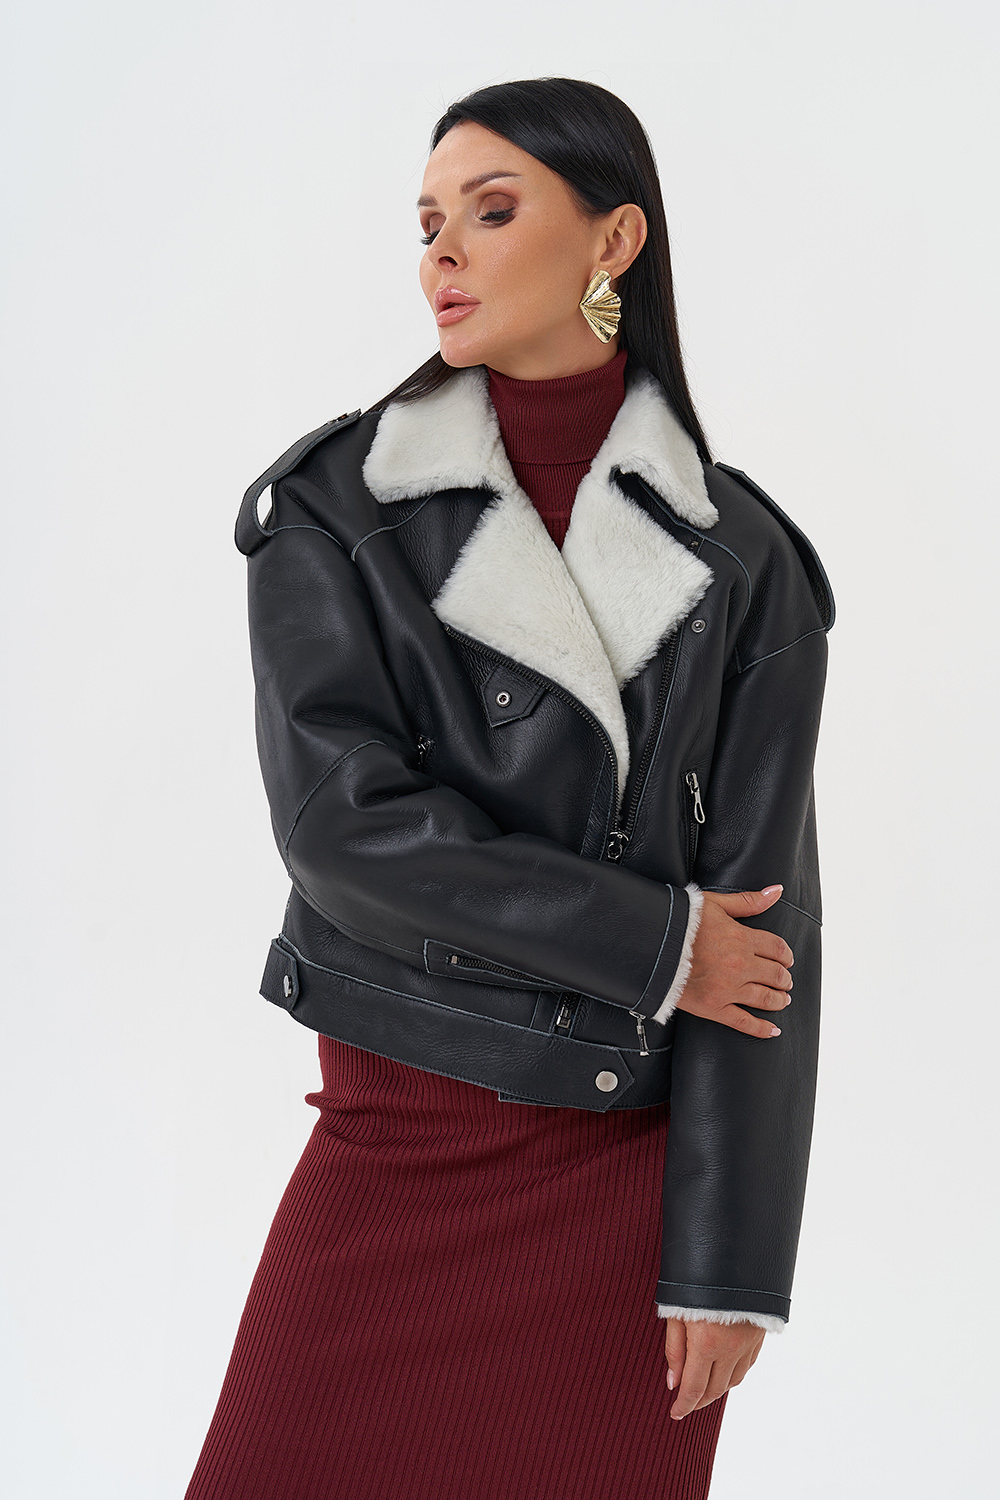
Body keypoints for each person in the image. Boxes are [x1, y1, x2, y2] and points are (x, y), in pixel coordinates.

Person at [184, 77, 834, 1500]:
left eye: (489, 211)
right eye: (426, 224)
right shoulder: (334, 510)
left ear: (614, 241)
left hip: (627, 1178)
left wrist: (729, 1264)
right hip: (394, 1142)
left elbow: (769, 934)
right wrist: (658, 946)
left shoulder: (744, 558)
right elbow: (341, 833)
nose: (443, 253)